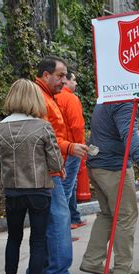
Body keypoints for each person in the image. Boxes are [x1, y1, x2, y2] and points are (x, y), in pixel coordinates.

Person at [0, 79, 63, 274]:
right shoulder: (42, 127)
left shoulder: (0, 127)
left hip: (12, 190)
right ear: (34, 99)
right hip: (38, 190)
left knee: (13, 239)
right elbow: (56, 162)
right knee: (38, 241)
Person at [80, 102, 139, 274]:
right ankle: (123, 267)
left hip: (97, 163)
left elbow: (114, 130)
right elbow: (128, 134)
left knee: (107, 214)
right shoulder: (125, 102)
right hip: (114, 167)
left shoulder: (106, 98)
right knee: (126, 215)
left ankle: (92, 260)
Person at [35, 56, 89, 274]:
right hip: (51, 167)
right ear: (46, 75)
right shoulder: (43, 99)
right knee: (59, 218)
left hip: (54, 165)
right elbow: (47, 136)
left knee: (55, 218)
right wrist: (71, 148)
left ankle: (45, 272)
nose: (64, 80)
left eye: (65, 76)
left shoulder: (48, 97)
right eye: (60, 75)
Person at [55, 71, 87, 228]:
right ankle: (64, 225)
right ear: (66, 81)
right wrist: (81, 146)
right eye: (74, 80)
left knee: (69, 184)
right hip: (72, 147)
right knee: (67, 187)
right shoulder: (71, 99)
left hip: (60, 147)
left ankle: (74, 217)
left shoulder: (55, 97)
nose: (76, 83)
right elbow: (77, 126)